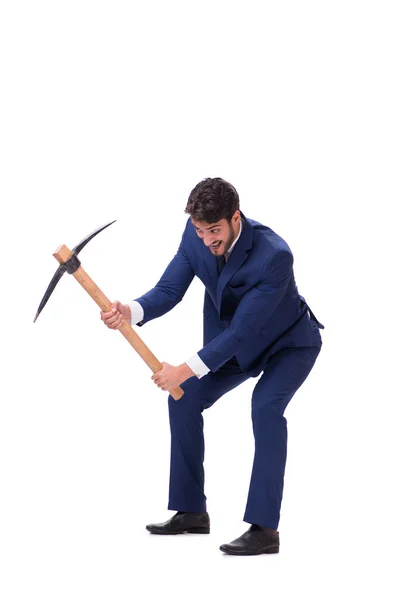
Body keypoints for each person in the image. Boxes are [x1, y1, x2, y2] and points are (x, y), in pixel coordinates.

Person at [101, 177, 324, 555]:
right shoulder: (195, 236)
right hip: (233, 348)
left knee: (265, 408)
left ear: (235, 218)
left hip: (288, 344)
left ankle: (264, 529)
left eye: (214, 230)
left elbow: (242, 331)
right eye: (200, 230)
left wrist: (181, 370)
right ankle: (191, 511)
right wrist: (131, 311)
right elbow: (169, 290)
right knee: (183, 398)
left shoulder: (274, 255)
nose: (206, 240)